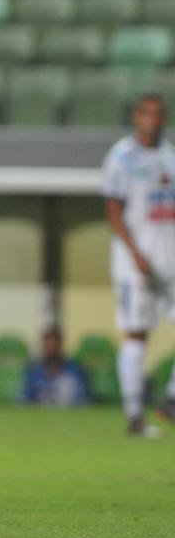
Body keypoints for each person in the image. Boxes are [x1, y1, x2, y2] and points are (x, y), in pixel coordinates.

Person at [103, 93, 175, 435]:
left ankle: (171, 400)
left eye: (160, 114)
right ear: (136, 117)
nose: (155, 120)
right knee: (137, 333)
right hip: (137, 262)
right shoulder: (121, 157)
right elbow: (113, 210)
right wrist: (135, 253)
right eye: (148, 114)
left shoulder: (169, 154)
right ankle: (134, 415)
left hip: (170, 257)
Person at [20, 327, 88, 407]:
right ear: (43, 346)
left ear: (60, 345)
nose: (52, 350)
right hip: (40, 414)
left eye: (54, 346)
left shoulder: (74, 369)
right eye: (48, 346)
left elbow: (83, 399)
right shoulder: (33, 370)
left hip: (68, 414)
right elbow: (24, 397)